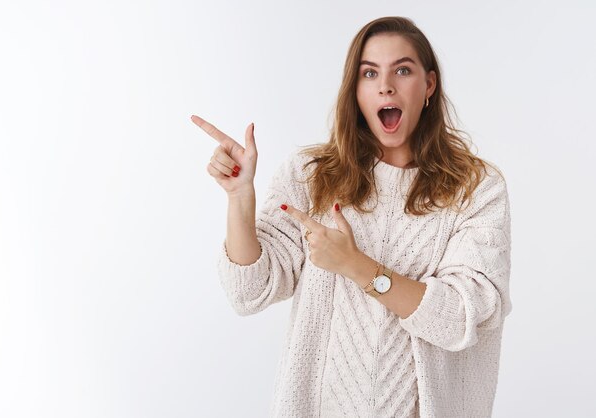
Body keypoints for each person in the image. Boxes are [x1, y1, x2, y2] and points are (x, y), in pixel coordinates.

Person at [191, 16, 511, 418]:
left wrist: (356, 266)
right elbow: (248, 292)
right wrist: (240, 197)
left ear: (428, 85)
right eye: (369, 73)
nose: (386, 85)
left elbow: (463, 318)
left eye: (403, 70)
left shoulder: (475, 188)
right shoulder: (312, 175)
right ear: (355, 90)